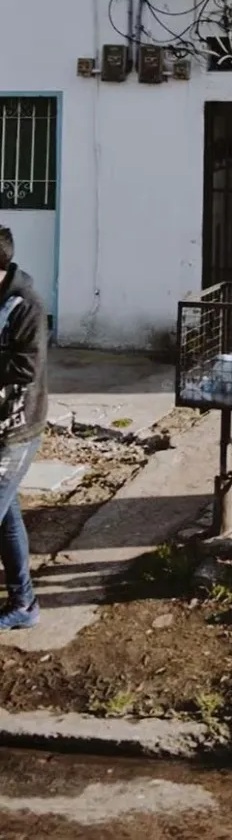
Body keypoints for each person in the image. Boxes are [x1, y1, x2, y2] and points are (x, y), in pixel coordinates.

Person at [0, 225, 47, 630]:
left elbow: (26, 367)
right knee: (7, 515)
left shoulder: (26, 306)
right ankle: (24, 603)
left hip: (15, 433)